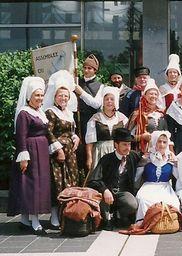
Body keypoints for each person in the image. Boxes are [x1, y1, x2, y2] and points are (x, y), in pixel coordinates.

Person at [8, 77, 51, 235]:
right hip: (31, 152)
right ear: (28, 96)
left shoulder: (39, 112)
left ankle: (25, 220)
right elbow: (21, 136)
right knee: (32, 185)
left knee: (35, 185)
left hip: (41, 151)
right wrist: (24, 156)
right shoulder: (24, 113)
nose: (40, 98)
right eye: (36, 95)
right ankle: (35, 221)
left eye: (41, 95)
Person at [43, 70, 80, 229]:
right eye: (60, 95)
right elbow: (48, 132)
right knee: (57, 183)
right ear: (54, 96)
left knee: (69, 182)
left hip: (70, 153)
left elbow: (70, 131)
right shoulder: (51, 112)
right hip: (58, 154)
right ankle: (54, 216)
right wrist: (58, 150)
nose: (63, 98)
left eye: (66, 96)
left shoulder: (69, 113)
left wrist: (75, 137)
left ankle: (66, 213)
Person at [87, 128, 142, 230]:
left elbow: (146, 157)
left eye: (129, 144)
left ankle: (119, 215)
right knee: (102, 198)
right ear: (116, 145)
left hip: (123, 193)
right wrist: (105, 190)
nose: (128, 148)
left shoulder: (133, 156)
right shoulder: (107, 159)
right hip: (106, 196)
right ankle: (106, 218)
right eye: (124, 145)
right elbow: (93, 180)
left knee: (132, 204)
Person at [134, 131, 180, 224]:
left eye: (164, 142)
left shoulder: (170, 158)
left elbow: (178, 176)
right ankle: (145, 223)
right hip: (148, 186)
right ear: (155, 142)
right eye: (159, 141)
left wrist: (176, 163)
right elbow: (136, 177)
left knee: (173, 202)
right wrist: (142, 162)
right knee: (144, 200)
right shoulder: (148, 156)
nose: (162, 145)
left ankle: (167, 223)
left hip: (165, 187)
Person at [85, 87, 128, 171]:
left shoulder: (123, 119)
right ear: (103, 102)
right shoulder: (95, 118)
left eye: (112, 99)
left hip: (117, 151)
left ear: (115, 102)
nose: (109, 101)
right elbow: (89, 141)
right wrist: (89, 158)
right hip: (100, 152)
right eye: (106, 99)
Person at [127, 79, 168, 154]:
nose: (153, 96)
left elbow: (167, 135)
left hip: (160, 152)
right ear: (145, 95)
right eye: (151, 94)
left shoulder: (161, 114)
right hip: (142, 152)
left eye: (155, 94)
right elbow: (127, 136)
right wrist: (142, 137)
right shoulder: (137, 114)